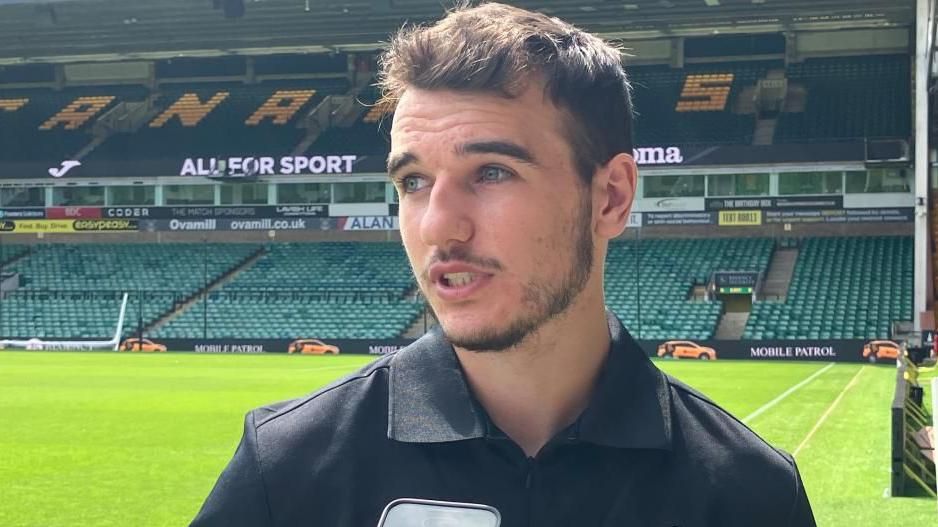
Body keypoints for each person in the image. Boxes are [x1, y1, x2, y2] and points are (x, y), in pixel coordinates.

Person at [191, 3, 816, 525]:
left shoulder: (749, 492)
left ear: (611, 197)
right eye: (412, 182)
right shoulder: (288, 468)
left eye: (492, 172)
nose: (438, 224)